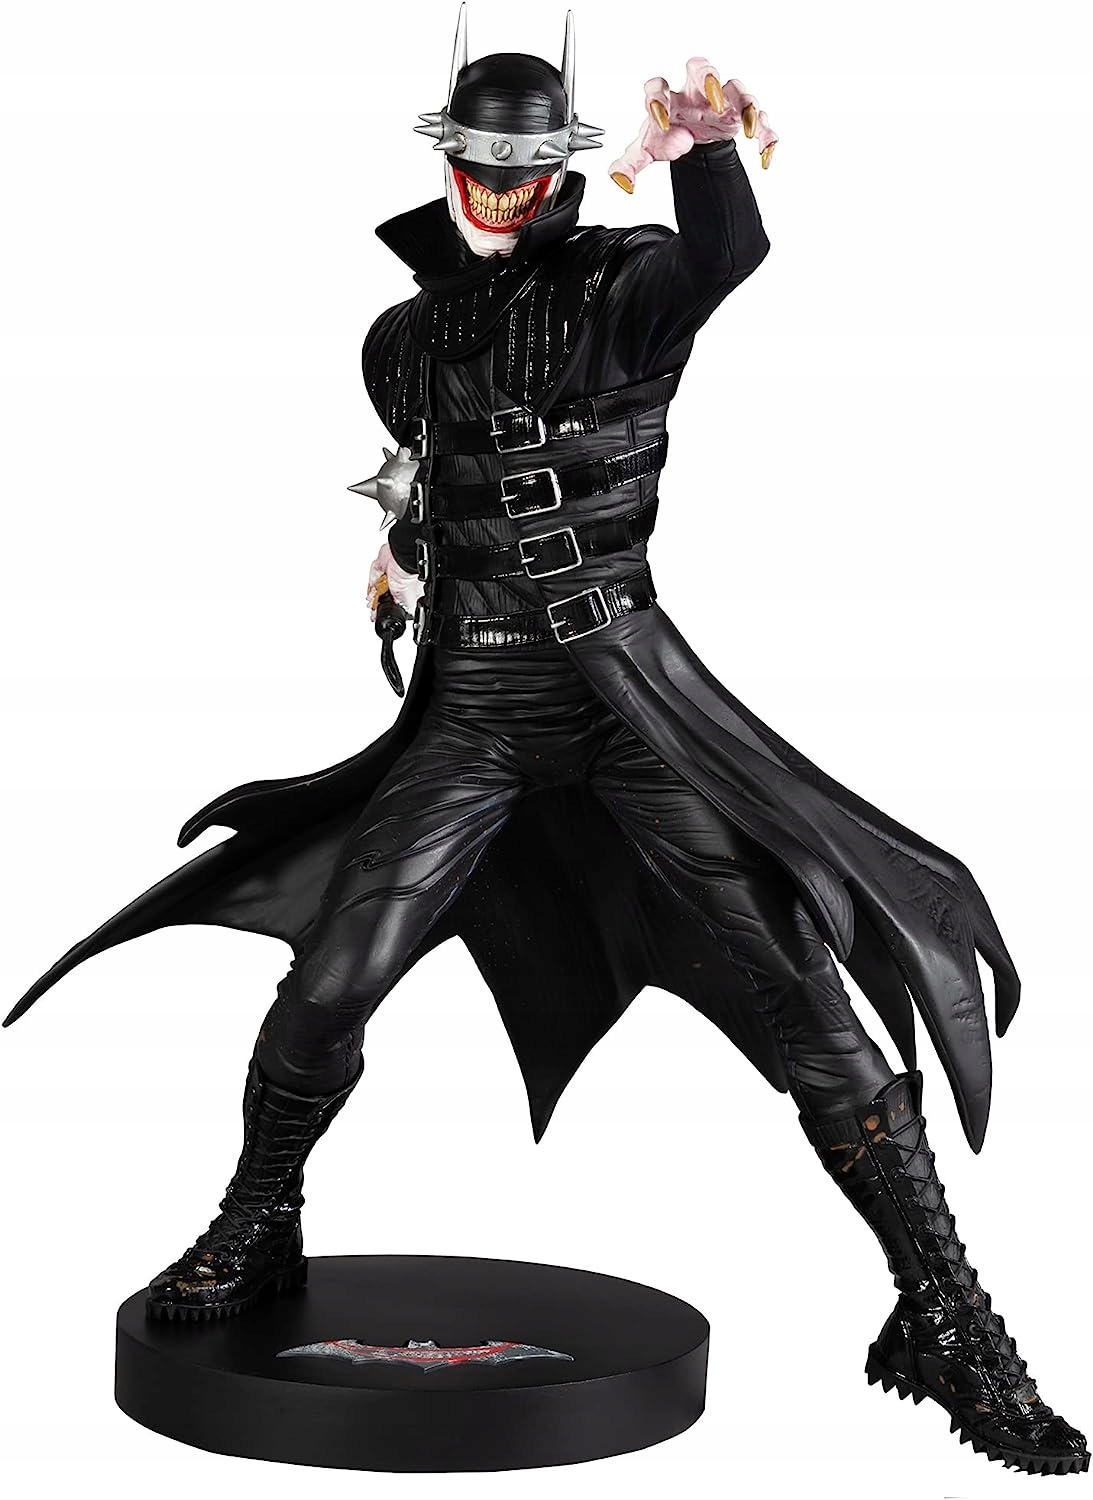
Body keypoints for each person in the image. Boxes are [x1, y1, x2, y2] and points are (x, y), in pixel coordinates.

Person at [8, 7, 1086, 1476]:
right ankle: (258, 1223)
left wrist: (703, 153)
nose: (503, 192)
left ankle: (948, 1319)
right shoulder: (402, 340)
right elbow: (425, 481)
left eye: (527, 170)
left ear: (562, 170)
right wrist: (401, 556)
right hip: (472, 710)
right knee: (329, 982)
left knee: (804, 1003)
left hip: (626, 702)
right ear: (449, 164)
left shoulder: (623, 289)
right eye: (482, 168)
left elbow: (724, 258)